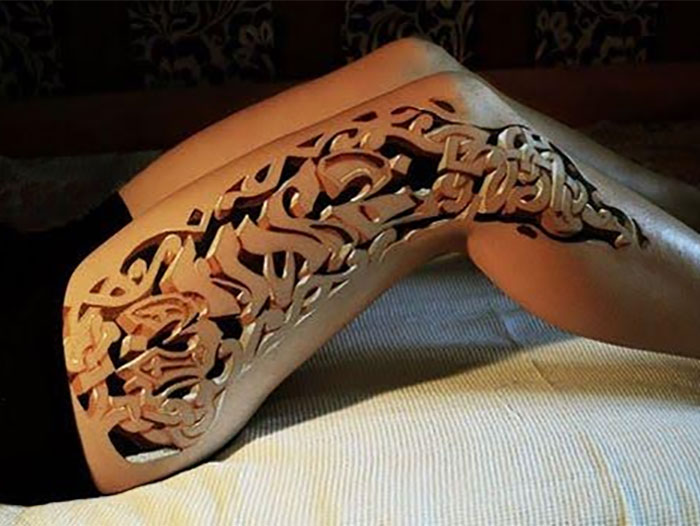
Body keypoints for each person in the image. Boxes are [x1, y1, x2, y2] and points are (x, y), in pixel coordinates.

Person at [1, 38, 699, 505]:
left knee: (415, 65)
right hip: (38, 376)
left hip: (40, 260)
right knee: (458, 143)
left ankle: (685, 210)